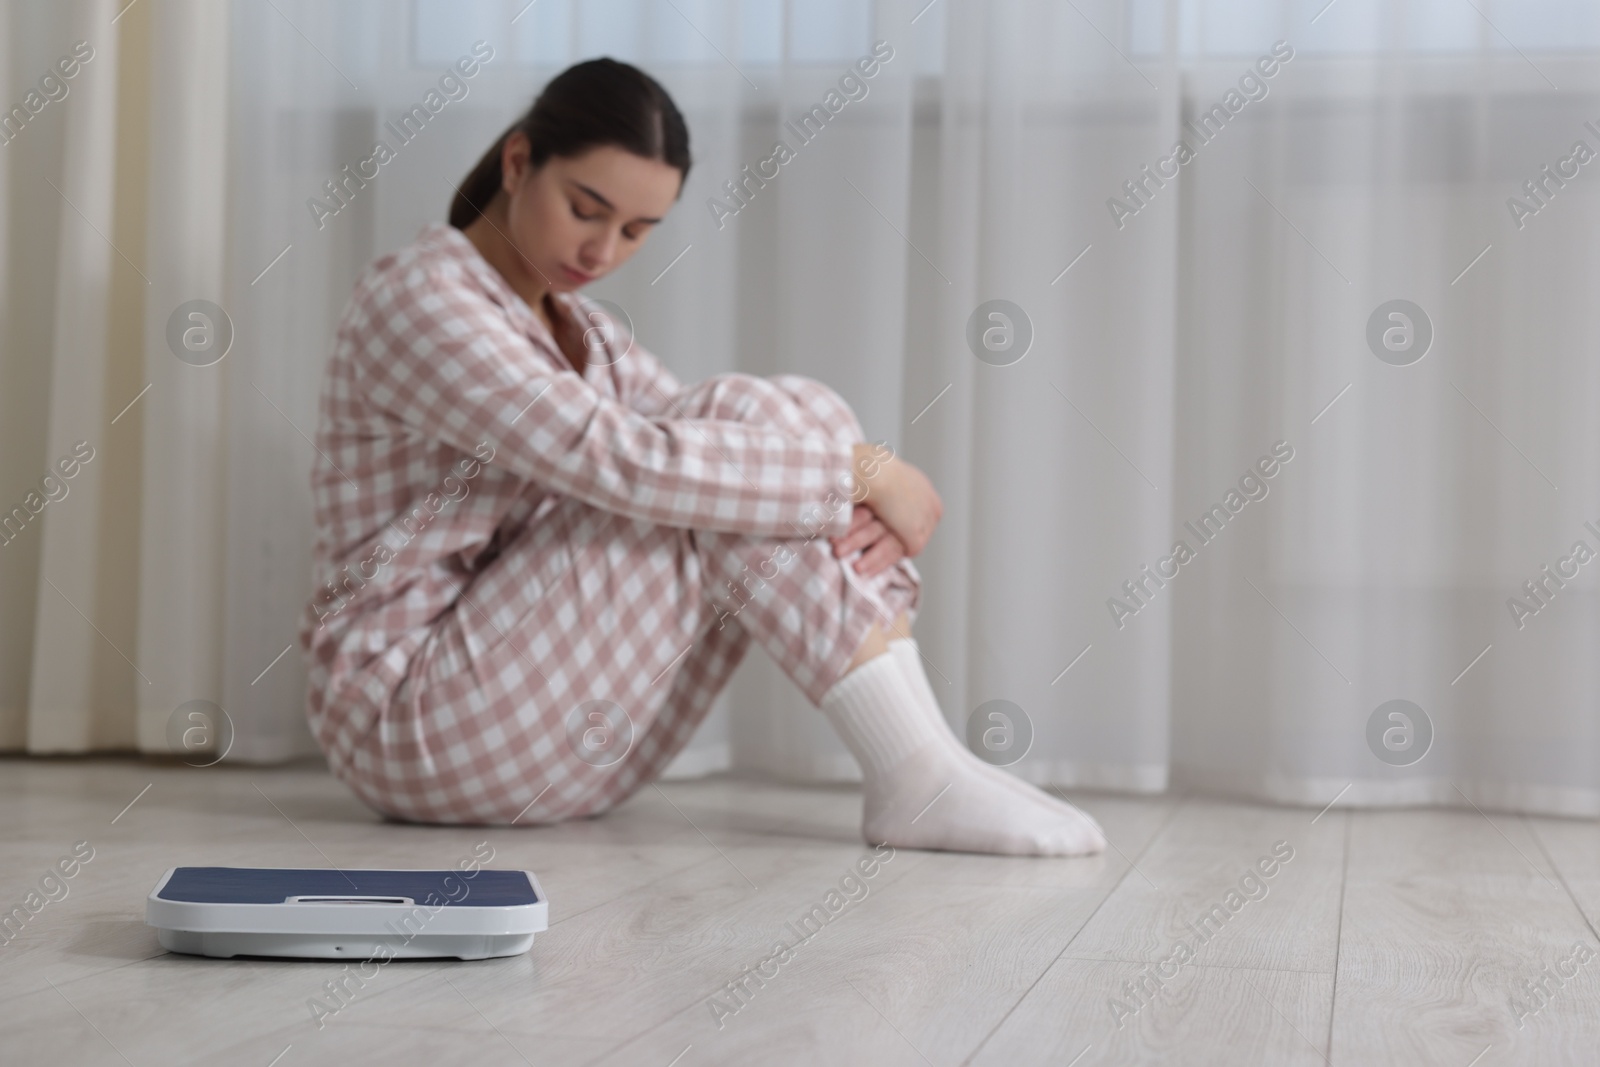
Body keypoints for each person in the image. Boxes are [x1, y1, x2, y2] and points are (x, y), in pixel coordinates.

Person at [297, 57, 1105, 857]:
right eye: (586, 208)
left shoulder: (582, 327)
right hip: (410, 728)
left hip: (569, 742)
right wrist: (868, 473)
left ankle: (925, 760)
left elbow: (729, 450)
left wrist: (844, 462)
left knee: (787, 421)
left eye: (637, 230)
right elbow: (626, 460)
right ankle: (917, 768)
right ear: (518, 163)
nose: (603, 250)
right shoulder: (423, 300)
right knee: (753, 439)